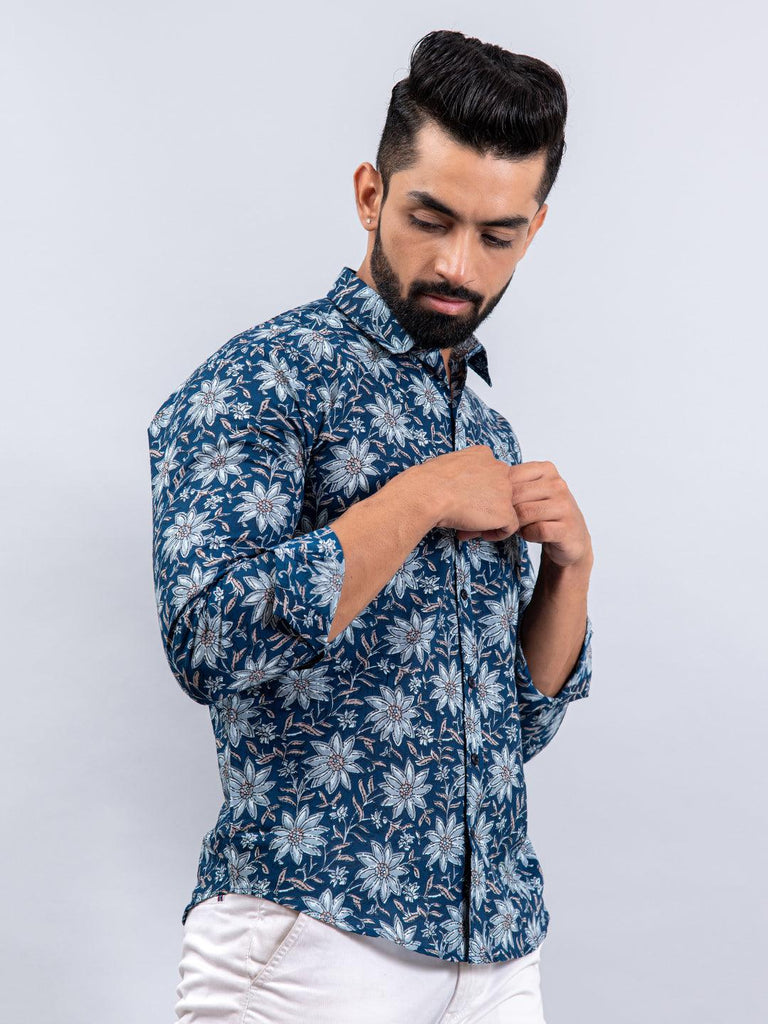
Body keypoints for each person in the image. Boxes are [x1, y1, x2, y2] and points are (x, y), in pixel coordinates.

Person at [148, 28, 594, 1024]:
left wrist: (571, 570)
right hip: (309, 938)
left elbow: (511, 729)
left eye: (496, 236)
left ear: (533, 230)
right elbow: (206, 638)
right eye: (431, 218)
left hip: (496, 951)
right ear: (370, 194)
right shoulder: (261, 378)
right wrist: (417, 499)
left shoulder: (485, 427)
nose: (456, 263)